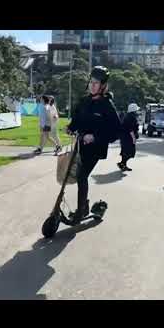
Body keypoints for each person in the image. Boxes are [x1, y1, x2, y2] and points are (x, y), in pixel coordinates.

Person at [66, 66, 121, 224]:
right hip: (80, 146)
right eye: (91, 82)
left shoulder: (107, 105)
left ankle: (81, 210)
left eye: (96, 83)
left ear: (103, 85)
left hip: (95, 149)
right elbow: (77, 120)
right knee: (76, 175)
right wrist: (70, 127)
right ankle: (84, 206)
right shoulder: (85, 101)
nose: (92, 85)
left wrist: (95, 137)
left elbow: (115, 131)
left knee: (82, 176)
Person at [118, 103, 140, 172]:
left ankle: (123, 164)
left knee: (126, 151)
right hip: (128, 138)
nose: (137, 111)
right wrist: (133, 138)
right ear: (134, 110)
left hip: (125, 137)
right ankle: (122, 164)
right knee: (130, 152)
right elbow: (130, 129)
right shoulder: (131, 117)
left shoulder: (128, 116)